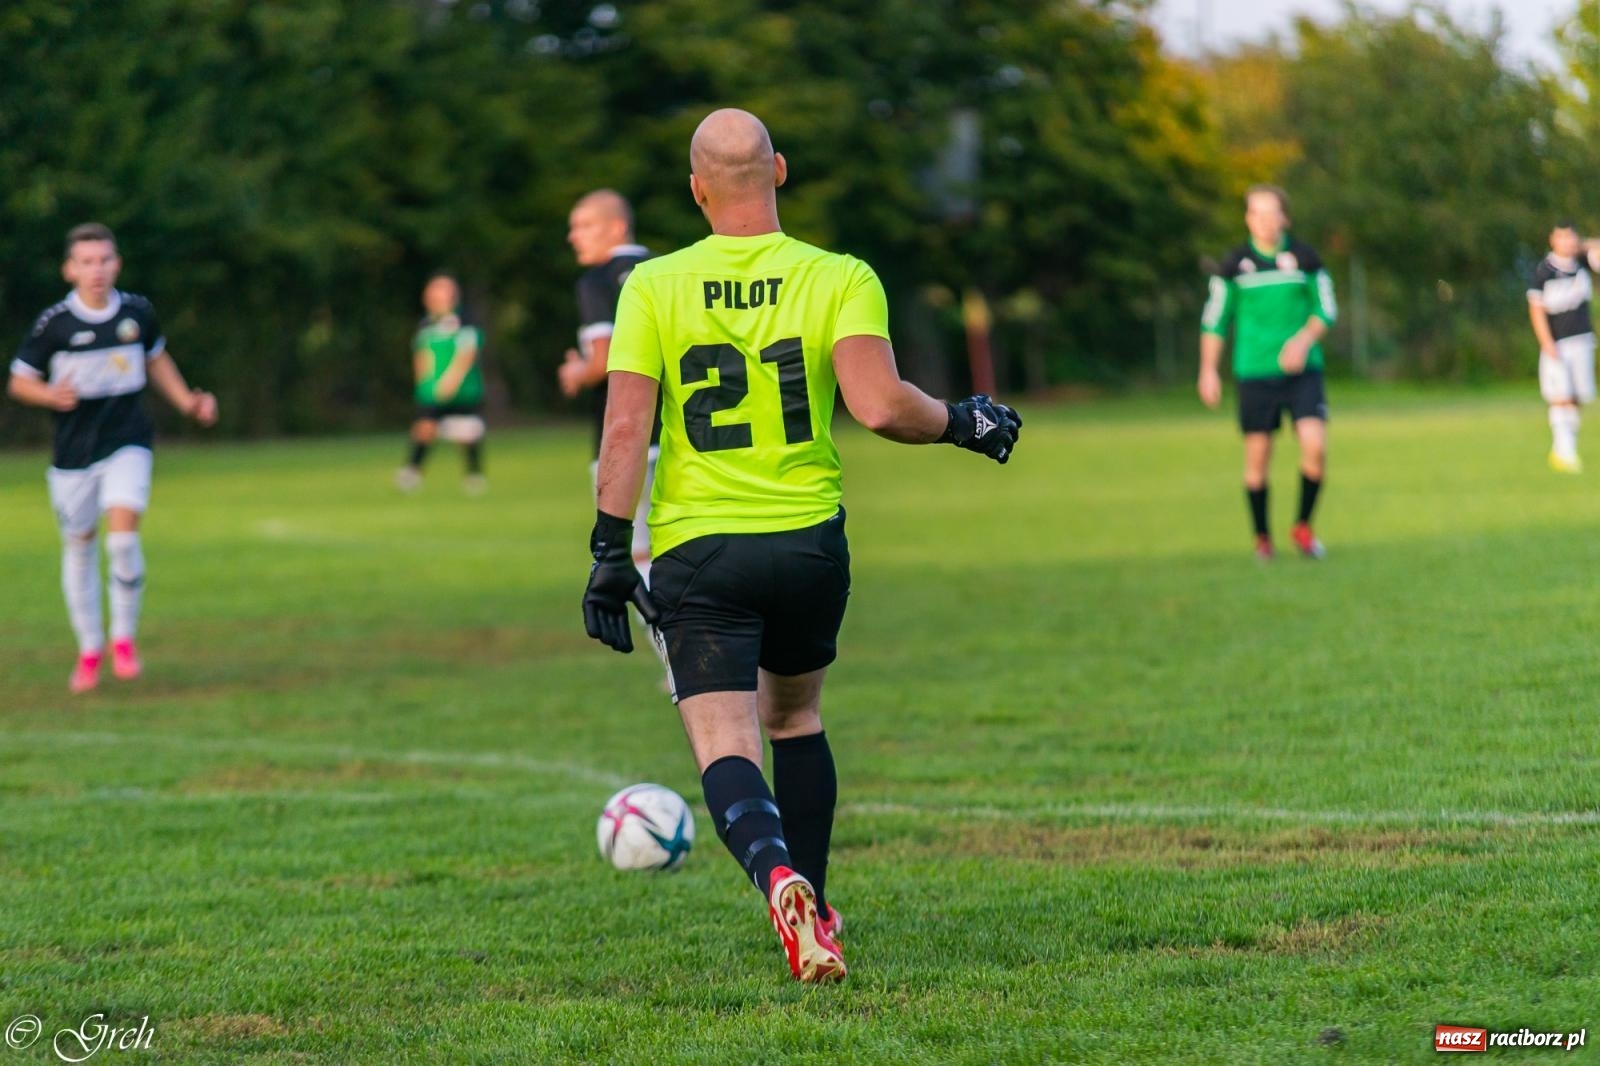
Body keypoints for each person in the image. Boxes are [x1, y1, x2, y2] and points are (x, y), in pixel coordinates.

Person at [579, 109, 1021, 982]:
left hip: (700, 550)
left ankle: (777, 878)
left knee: (727, 744)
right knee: (796, 718)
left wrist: (604, 550)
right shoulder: (839, 275)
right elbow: (884, 406)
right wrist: (965, 422)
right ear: (778, 171)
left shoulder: (652, 286)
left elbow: (625, 431)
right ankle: (814, 904)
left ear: (697, 189)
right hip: (809, 543)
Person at [7, 222, 218, 692]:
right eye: (86, 261)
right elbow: (19, 380)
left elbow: (156, 359)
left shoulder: (138, 313)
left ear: (116, 263)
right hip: (72, 456)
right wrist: (48, 396)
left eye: (104, 259)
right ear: (70, 269)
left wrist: (186, 401)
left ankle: (123, 640)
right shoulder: (54, 325)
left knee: (122, 541)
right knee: (79, 546)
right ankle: (89, 648)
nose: (96, 269)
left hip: (128, 441)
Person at [1198, 184, 1336, 560]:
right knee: (1258, 460)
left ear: (1285, 217)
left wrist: (1303, 341)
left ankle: (1303, 528)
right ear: (1247, 219)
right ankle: (1262, 538)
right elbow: (1215, 320)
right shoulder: (1234, 265)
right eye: (1256, 213)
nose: (1264, 220)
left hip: (1303, 372)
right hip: (1254, 373)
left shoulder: (1305, 258)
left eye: (1271, 212)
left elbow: (1326, 309)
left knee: (1315, 447)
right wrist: (1208, 370)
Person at [560, 190, 656, 578]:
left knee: (633, 553)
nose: (574, 236)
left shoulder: (597, 281)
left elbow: (604, 362)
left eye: (585, 225)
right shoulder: (662, 270)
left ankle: (664, 638)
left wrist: (575, 372)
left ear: (617, 227)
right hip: (680, 432)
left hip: (621, 433)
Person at [396, 272, 486, 494]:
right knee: (424, 428)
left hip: (463, 389)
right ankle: (413, 472)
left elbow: (467, 351)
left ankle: (474, 475)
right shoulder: (426, 323)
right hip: (431, 389)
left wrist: (452, 380)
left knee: (466, 432)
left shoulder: (464, 320)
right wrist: (423, 382)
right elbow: (421, 354)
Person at [1527, 222, 1600, 474]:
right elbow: (1536, 308)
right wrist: (1546, 342)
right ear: (1552, 239)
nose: (1567, 243)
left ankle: (1567, 449)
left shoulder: (1581, 265)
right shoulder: (1543, 271)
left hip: (1582, 340)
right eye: (1562, 238)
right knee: (1561, 397)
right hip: (1558, 343)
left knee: (1577, 396)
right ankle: (1563, 451)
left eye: (1571, 238)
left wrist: (1582, 246)